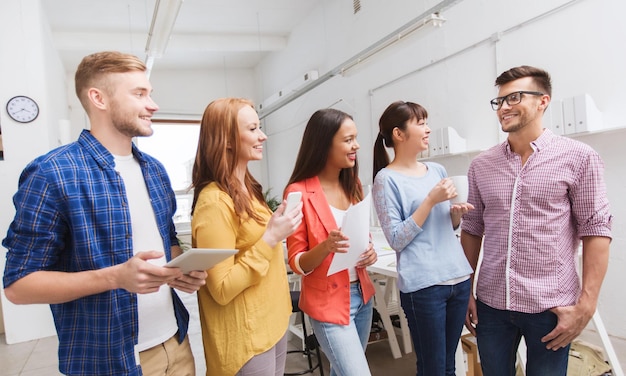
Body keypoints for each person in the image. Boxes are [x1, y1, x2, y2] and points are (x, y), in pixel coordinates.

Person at [2, 51, 207, 375]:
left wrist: (179, 270)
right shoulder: (52, 173)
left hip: (176, 343)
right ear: (98, 98)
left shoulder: (153, 170)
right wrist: (114, 277)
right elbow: (19, 285)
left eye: (150, 93)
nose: (152, 104)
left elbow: (165, 240)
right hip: (108, 360)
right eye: (139, 94)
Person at [460, 65, 613, 375]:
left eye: (514, 97)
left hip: (551, 306)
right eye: (499, 101)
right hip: (492, 304)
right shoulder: (481, 165)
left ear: (543, 101)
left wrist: (587, 305)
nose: (503, 107)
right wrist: (466, 292)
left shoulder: (579, 157)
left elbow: (596, 230)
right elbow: (473, 229)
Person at [190, 97, 302, 376]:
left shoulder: (248, 188)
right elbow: (222, 288)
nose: (262, 136)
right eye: (253, 129)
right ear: (227, 140)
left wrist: (277, 229)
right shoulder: (214, 202)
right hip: (245, 338)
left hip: (272, 322)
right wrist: (270, 238)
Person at [371, 101, 474, 375]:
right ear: (399, 134)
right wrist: (430, 200)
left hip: (458, 278)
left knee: (449, 366)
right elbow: (395, 239)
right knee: (433, 369)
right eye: (420, 123)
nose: (428, 130)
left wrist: (455, 215)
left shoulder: (437, 170)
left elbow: (442, 226)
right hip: (424, 286)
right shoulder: (386, 180)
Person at [284, 108, 378, 376]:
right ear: (325, 144)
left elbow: (360, 237)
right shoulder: (298, 192)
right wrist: (326, 246)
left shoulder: (353, 185)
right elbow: (297, 262)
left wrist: (368, 252)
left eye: (355, 138)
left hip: (361, 296)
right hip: (327, 303)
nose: (356, 145)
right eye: (348, 140)